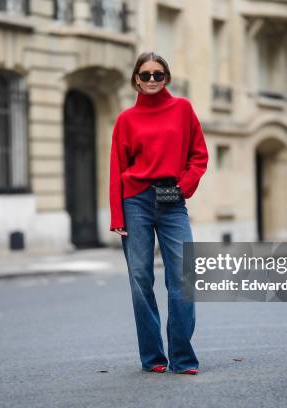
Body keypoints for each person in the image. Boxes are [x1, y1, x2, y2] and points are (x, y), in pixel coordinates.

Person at [108, 51, 208, 375]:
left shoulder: (183, 109)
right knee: (140, 280)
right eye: (146, 74)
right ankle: (153, 357)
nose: (152, 80)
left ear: (167, 78)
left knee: (182, 278)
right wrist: (117, 217)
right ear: (136, 79)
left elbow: (199, 155)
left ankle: (183, 357)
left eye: (158, 74)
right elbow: (116, 169)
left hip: (172, 198)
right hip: (134, 200)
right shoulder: (125, 120)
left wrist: (184, 186)